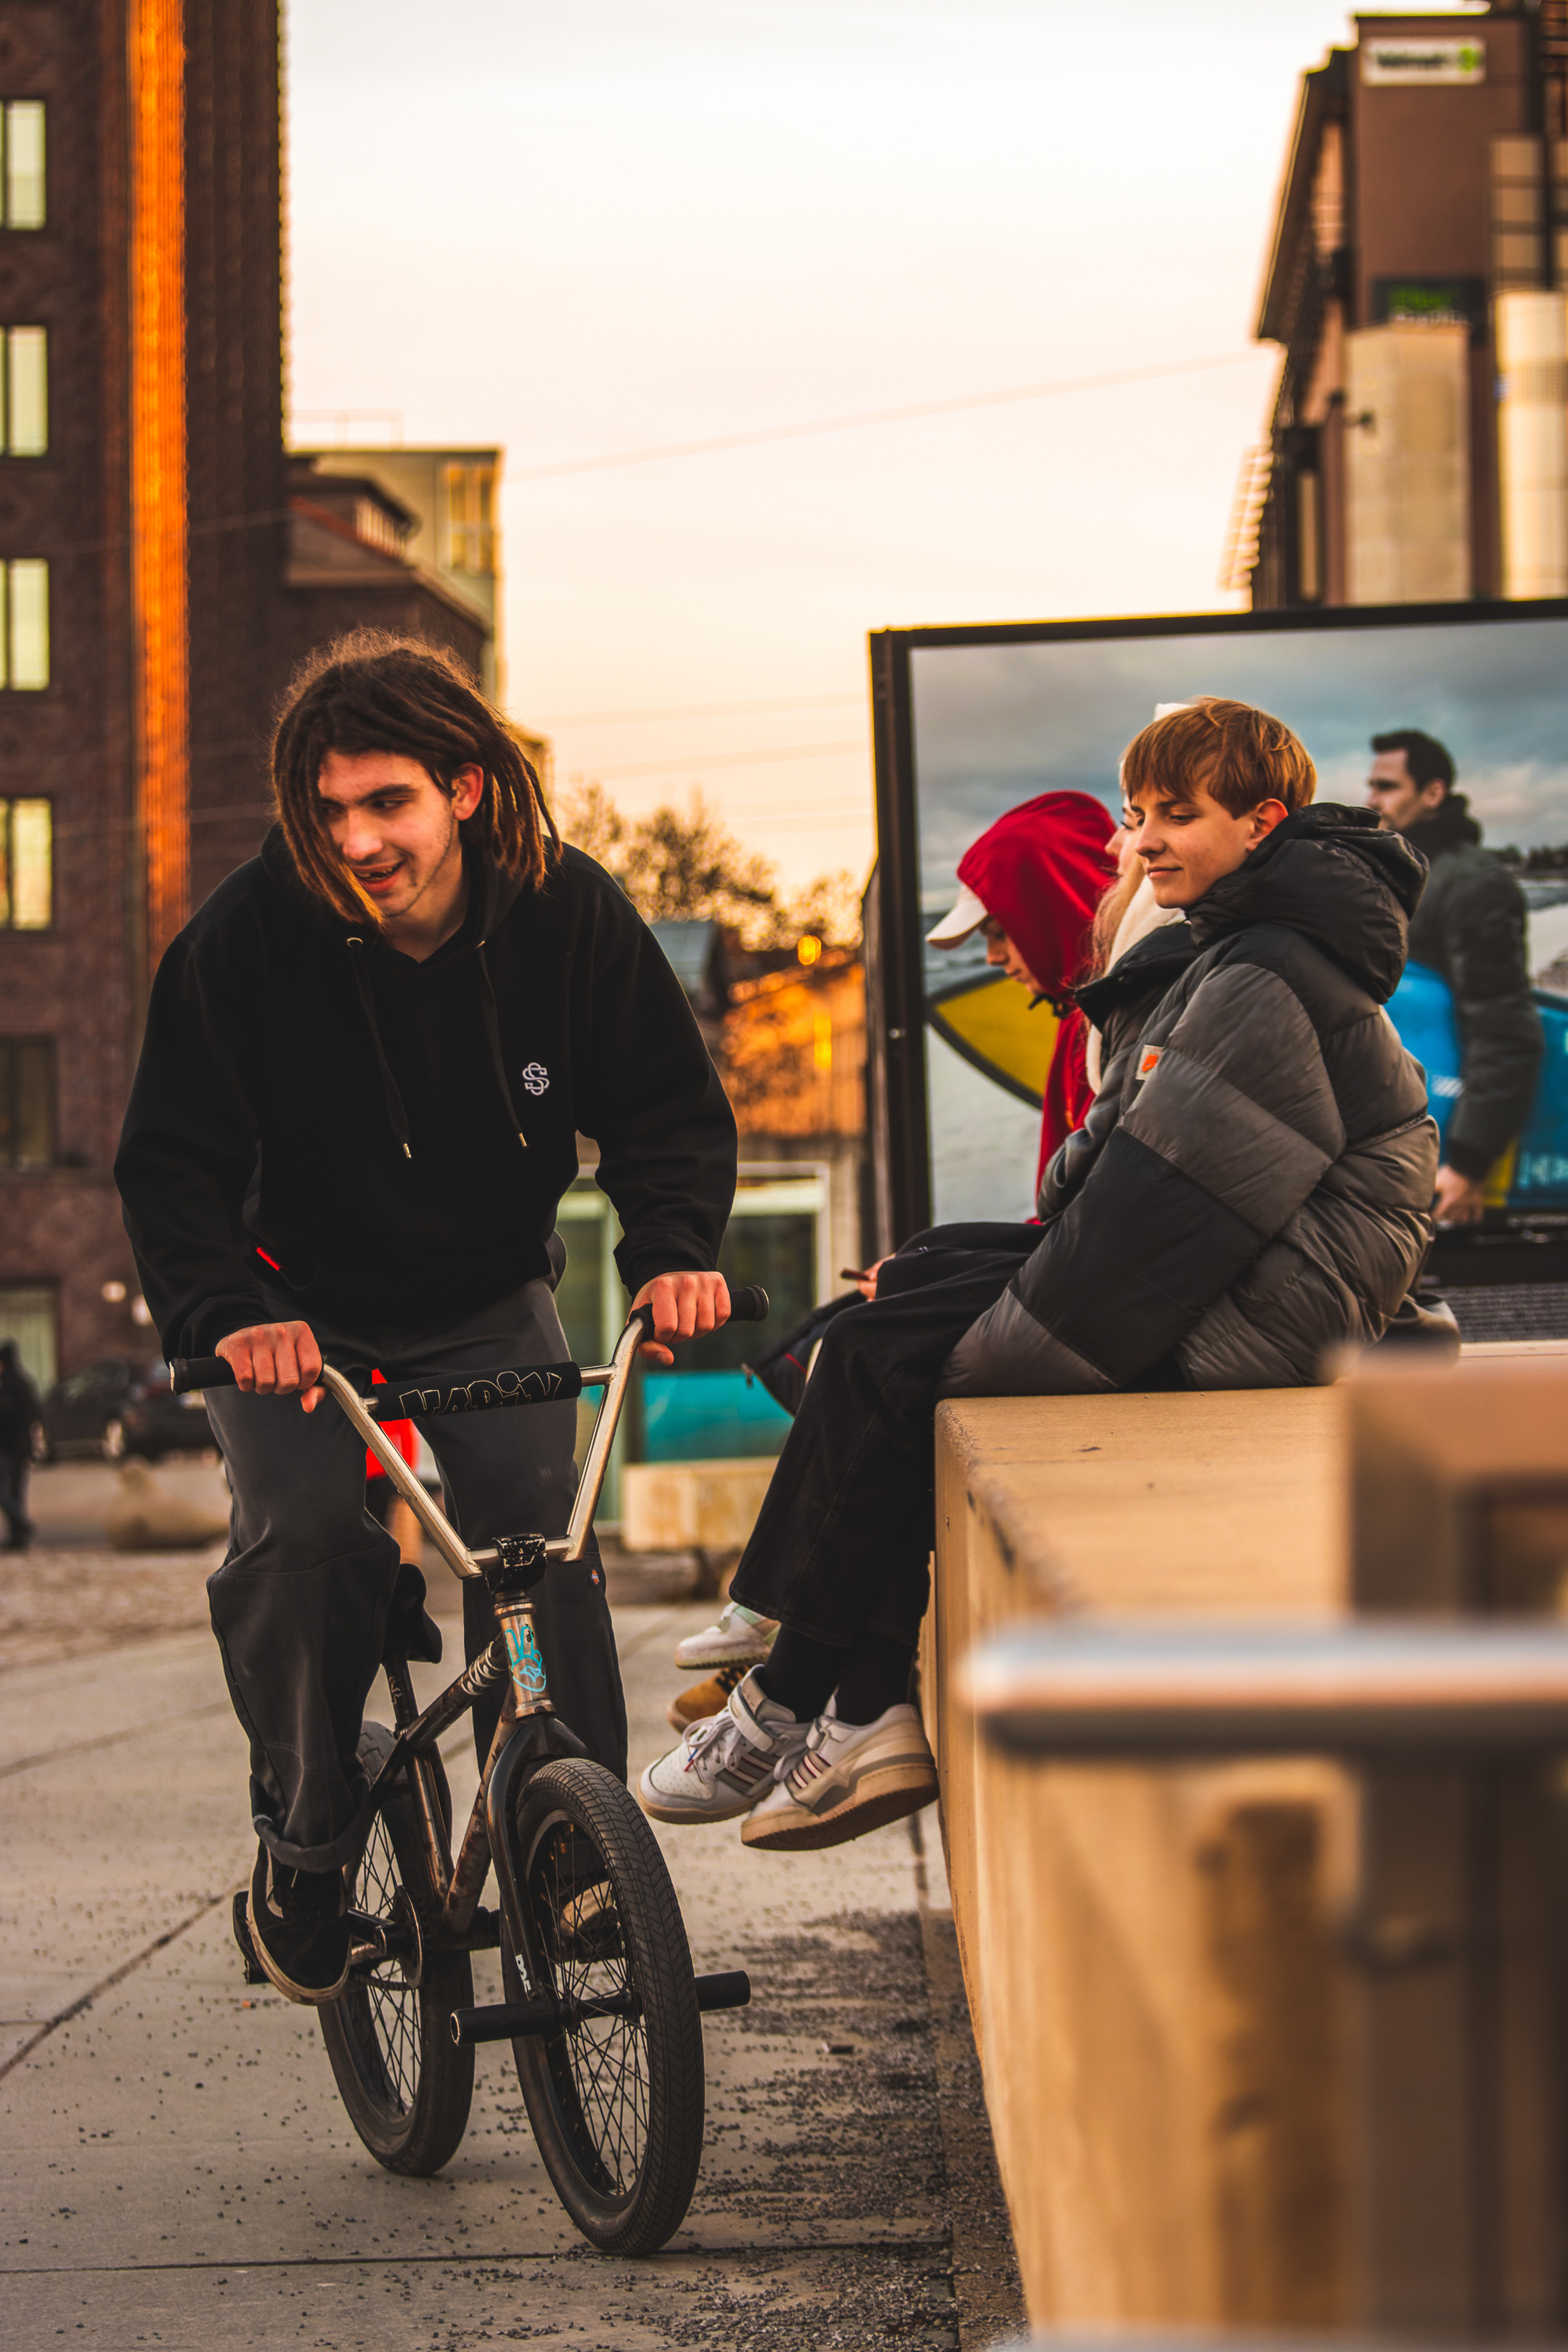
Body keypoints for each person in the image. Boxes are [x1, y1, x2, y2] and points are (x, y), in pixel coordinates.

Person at [640, 696, 1437, 1852]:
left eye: (1176, 816)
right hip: (1255, 1272)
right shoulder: (1231, 951)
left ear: (1263, 825)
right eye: (1136, 815)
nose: (1144, 842)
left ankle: (796, 1696)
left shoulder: (1264, 973)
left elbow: (1150, 1221)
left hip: (1266, 1304)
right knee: (914, 1285)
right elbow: (1108, 1164)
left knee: (887, 1351)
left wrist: (982, 1352)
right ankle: (831, 1686)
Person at [115, 632, 738, 2005]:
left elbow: (664, 1111)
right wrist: (227, 1313)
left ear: (463, 788)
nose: (358, 841)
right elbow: (171, 1164)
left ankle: (571, 1851)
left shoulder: (566, 914)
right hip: (289, 1313)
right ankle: (306, 1842)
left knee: (541, 1540)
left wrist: (672, 1254)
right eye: (329, 809)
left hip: (482, 1291)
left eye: (386, 802)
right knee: (305, 1538)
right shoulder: (248, 938)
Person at [1367, 727, 1542, 1225]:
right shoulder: (1392, 874)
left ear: (1433, 793)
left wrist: (1470, 1161)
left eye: (1387, 786)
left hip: (1440, 1141)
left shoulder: (1472, 886)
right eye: (1372, 785)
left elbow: (1504, 1029)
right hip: (1387, 1126)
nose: (1372, 798)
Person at [0, 1339, 41, 1551]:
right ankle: (18, 1536)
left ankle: (21, 1525)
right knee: (17, 1492)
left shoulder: (9, 1386)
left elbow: (8, 1416)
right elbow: (35, 1412)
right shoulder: (24, 1382)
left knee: (5, 1492)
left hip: (8, 1446)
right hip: (22, 1445)